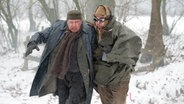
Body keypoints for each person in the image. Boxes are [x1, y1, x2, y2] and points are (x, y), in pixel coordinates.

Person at [25, 10, 97, 104]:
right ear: (67, 21)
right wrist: (33, 42)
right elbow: (41, 34)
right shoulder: (58, 29)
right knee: (62, 101)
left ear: (81, 22)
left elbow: (96, 49)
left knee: (73, 101)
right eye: (71, 22)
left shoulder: (89, 32)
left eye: (77, 22)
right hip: (61, 73)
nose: (74, 25)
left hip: (79, 75)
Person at [91, 5, 142, 104]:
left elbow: (134, 43)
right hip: (103, 77)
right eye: (95, 19)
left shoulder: (120, 30)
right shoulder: (94, 30)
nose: (98, 23)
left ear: (108, 19)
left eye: (101, 20)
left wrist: (107, 55)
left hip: (120, 77)